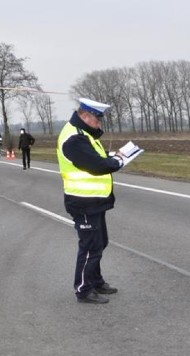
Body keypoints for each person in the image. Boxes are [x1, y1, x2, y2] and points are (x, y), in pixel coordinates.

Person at [57, 98, 125, 304]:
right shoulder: (74, 139)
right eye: (97, 119)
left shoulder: (84, 134)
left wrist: (113, 156)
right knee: (90, 247)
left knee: (100, 243)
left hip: (94, 201)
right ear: (85, 116)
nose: (99, 124)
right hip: (83, 201)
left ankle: (95, 281)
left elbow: (97, 157)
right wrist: (118, 162)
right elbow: (96, 165)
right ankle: (83, 290)